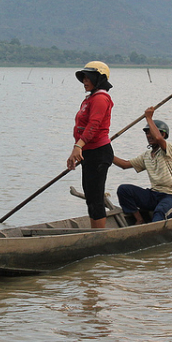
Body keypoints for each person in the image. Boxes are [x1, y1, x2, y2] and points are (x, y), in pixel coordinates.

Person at [113, 107, 172, 224]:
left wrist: (149, 118)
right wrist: (105, 153)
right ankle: (139, 219)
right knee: (124, 190)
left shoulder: (169, 149)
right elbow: (124, 165)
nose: (149, 136)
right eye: (146, 133)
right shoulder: (146, 155)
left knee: (160, 212)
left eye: (151, 132)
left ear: (163, 134)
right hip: (154, 195)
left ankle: (152, 229)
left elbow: (158, 138)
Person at [67, 61, 114, 228]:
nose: (85, 81)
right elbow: (81, 128)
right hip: (89, 153)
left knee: (95, 197)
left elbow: (93, 126)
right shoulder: (90, 99)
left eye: (89, 78)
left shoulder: (101, 98)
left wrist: (78, 146)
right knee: (91, 196)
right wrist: (77, 151)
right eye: (84, 78)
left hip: (99, 152)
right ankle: (96, 232)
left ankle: (99, 236)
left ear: (98, 79)